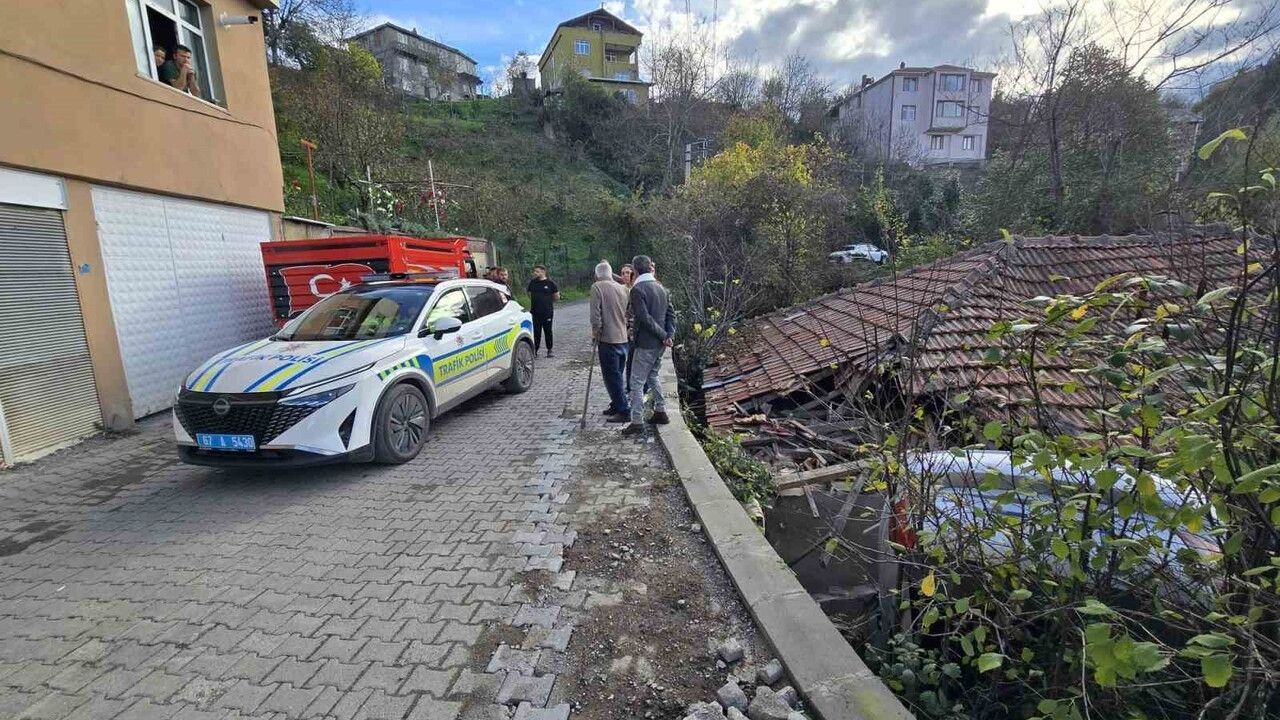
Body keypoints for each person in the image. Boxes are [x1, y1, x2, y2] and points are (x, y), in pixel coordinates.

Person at [622, 255, 675, 435]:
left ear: (635, 271)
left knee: (636, 382)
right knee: (652, 376)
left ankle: (636, 421)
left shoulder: (637, 290)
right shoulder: (663, 289)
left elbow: (644, 318)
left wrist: (663, 335)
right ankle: (660, 411)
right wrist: (669, 335)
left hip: (646, 342)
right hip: (660, 344)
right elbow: (671, 315)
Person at [590, 261, 632, 422]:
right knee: (618, 374)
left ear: (597, 274)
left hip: (608, 339)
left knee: (611, 376)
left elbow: (595, 315)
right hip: (623, 339)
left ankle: (623, 410)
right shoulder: (623, 288)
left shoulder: (597, 287)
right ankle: (616, 403)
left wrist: (596, 332)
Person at [526, 265, 559, 357]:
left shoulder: (550, 283)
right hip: (535, 311)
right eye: (534, 271)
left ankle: (549, 349)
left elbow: (556, 297)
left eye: (537, 271)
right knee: (536, 332)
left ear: (543, 272)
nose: (535, 273)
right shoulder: (533, 282)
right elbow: (529, 293)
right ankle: (535, 350)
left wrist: (547, 302)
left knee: (548, 330)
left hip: (547, 312)